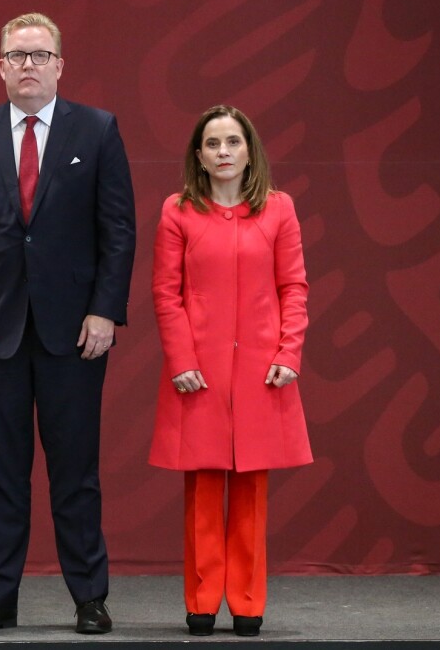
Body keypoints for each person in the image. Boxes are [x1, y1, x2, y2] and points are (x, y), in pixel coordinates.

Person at [0, 12, 136, 635]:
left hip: (74, 332)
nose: (27, 65)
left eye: (39, 54)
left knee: (76, 472)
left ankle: (89, 598)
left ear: (58, 65)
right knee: (2, 473)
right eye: (16, 55)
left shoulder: (97, 129)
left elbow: (119, 232)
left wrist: (105, 310)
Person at [149, 105, 311, 638]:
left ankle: (246, 603)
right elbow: (165, 295)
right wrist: (183, 361)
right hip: (199, 370)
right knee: (203, 487)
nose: (223, 152)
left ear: (249, 151)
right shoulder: (178, 211)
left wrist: (289, 352)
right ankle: (200, 602)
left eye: (232, 142)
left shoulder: (279, 209)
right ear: (198, 155)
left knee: (251, 489)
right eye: (213, 143)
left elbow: (294, 287)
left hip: (262, 368)